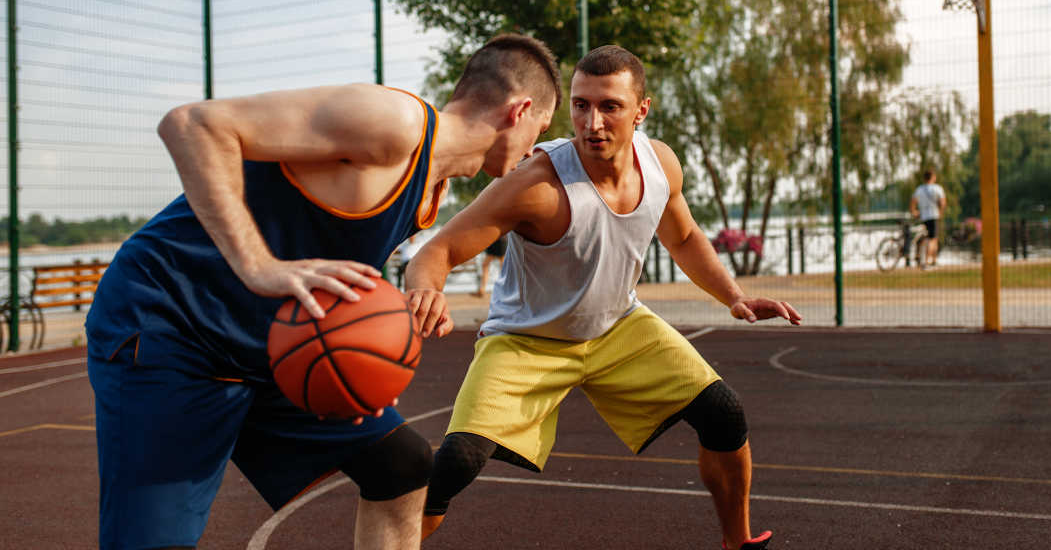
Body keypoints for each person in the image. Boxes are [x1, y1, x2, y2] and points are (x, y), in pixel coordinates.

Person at [84, 33, 561, 550]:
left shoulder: (430, 190)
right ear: (521, 110)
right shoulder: (393, 123)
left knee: (401, 467)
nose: (537, 148)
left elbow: (329, 274)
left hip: (263, 350)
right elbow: (191, 125)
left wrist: (375, 359)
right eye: (543, 128)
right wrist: (259, 266)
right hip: (169, 330)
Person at [405, 45, 802, 550]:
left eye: (609, 106)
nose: (592, 122)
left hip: (618, 326)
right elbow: (436, 250)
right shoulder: (536, 185)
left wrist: (734, 297)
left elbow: (681, 237)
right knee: (456, 463)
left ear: (641, 110)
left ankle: (737, 543)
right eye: (580, 105)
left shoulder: (660, 166)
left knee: (723, 413)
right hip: (527, 341)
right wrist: (425, 291)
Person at [909, 168, 947, 268]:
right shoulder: (937, 188)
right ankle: (926, 262)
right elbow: (942, 202)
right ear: (933, 177)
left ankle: (934, 260)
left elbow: (913, 202)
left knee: (929, 238)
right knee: (932, 239)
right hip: (934, 215)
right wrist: (941, 212)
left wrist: (914, 212)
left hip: (923, 217)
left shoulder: (919, 189)